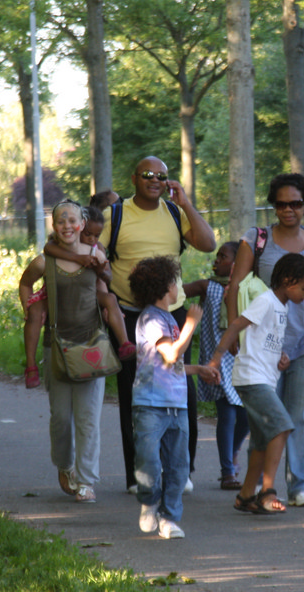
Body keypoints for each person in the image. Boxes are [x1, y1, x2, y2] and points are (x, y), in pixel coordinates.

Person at [87, 156, 216, 494]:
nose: (155, 180)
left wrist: (185, 204)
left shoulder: (174, 212)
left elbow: (208, 243)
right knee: (135, 393)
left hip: (172, 312)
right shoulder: (116, 214)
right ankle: (139, 475)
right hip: (128, 315)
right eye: (147, 174)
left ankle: (180, 471)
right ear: (134, 178)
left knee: (181, 389)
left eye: (162, 175)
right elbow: (95, 255)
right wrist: (103, 288)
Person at [224, 173, 304, 508]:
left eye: (295, 204)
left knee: (300, 416)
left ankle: (300, 485)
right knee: (266, 420)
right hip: (267, 343)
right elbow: (235, 285)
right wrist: (234, 330)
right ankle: (255, 488)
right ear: (274, 205)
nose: (288, 210)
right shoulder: (257, 239)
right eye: (281, 204)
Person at [208, 253, 304, 515]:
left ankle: (245, 496)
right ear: (288, 281)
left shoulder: (282, 306)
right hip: (251, 378)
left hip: (264, 378)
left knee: (259, 442)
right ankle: (267, 491)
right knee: (282, 427)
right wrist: (216, 359)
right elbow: (236, 325)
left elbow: (265, 339)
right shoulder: (266, 301)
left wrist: (280, 356)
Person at [128, 256, 219, 539]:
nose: (178, 287)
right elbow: (170, 354)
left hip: (177, 405)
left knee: (178, 467)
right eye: (175, 282)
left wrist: (198, 370)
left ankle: (168, 518)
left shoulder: (167, 318)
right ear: (166, 287)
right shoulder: (151, 318)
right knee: (149, 464)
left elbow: (169, 364)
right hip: (150, 405)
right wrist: (191, 323)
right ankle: (149, 500)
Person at [28, 200, 110, 503]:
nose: (67, 226)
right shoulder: (44, 261)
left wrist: (106, 296)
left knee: (88, 418)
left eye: (72, 220)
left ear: (82, 224)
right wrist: (29, 308)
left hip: (91, 345)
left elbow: (105, 288)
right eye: (61, 221)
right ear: (54, 225)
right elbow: (25, 284)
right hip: (57, 348)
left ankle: (87, 481)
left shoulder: (96, 255)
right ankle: (65, 466)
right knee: (61, 419)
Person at [21, 208, 134, 390]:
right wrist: (78, 258)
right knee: (34, 311)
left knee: (111, 299)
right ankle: (31, 366)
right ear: (81, 228)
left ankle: (124, 344)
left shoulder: (97, 250)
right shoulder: (55, 247)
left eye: (97, 235)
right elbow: (48, 249)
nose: (92, 239)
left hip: (88, 295)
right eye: (88, 235)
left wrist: (101, 271)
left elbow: (106, 279)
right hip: (56, 293)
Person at [184, 241, 249, 490]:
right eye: (217, 256)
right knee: (227, 414)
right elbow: (176, 292)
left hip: (242, 359)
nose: (217, 260)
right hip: (217, 361)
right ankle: (227, 472)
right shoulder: (207, 286)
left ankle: (232, 453)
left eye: (223, 257)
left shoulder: (248, 287)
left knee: (246, 416)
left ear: (238, 263)